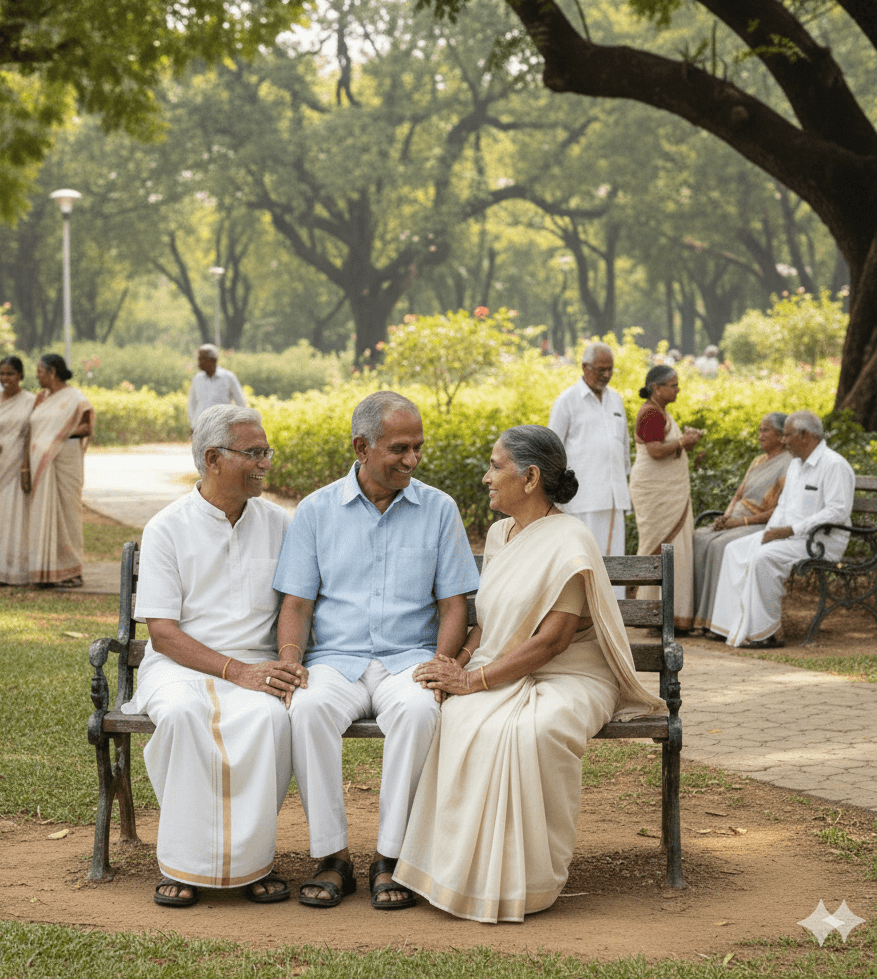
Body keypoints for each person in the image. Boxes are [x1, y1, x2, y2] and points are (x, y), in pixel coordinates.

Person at [394, 426, 665, 922]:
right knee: (458, 720)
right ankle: (459, 874)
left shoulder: (570, 540)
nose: (485, 477)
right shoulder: (501, 534)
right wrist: (461, 659)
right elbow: (490, 622)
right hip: (503, 669)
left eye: (496, 466)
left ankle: (529, 880)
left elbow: (552, 641)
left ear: (531, 477)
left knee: (530, 731)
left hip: (573, 676)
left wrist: (475, 681)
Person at [273, 391, 480, 910]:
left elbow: (456, 605)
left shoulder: (438, 508)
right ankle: (333, 857)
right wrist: (292, 661)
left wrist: (440, 662)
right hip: (335, 662)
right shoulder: (317, 510)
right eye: (399, 449)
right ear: (362, 447)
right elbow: (296, 603)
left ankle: (391, 859)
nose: (412, 460)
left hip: (408, 659)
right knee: (310, 707)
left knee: (416, 710)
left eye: (418, 448)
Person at [121, 405, 301, 907]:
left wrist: (277, 661)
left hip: (256, 665)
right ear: (213, 458)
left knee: (270, 720)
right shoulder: (167, 527)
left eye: (266, 451)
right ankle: (184, 864)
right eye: (253, 453)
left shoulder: (278, 524)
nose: (265, 462)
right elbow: (162, 634)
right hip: (179, 666)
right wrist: (236, 671)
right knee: (180, 717)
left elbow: (296, 605)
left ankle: (251, 864)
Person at [709, 411, 854, 648]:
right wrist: (772, 531)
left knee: (764, 557)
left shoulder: (834, 464)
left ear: (804, 435)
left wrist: (789, 530)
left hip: (820, 542)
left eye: (787, 435)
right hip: (791, 537)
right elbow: (784, 505)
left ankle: (766, 633)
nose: (783, 441)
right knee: (734, 549)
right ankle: (727, 626)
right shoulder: (796, 465)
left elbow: (837, 512)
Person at [692, 413, 792, 631]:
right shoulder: (758, 461)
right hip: (735, 520)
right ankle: (692, 615)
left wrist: (740, 522)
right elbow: (738, 495)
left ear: (781, 435)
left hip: (758, 523)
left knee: (720, 546)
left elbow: (779, 510)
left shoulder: (789, 464)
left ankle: (714, 620)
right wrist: (726, 517)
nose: (760, 435)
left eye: (766, 430)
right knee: (696, 538)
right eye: (759, 430)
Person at [548, 341, 631, 595]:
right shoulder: (567, 401)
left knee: (613, 566)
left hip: (614, 499)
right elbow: (553, 450)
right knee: (581, 565)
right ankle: (582, 629)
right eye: (601, 369)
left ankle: (612, 624)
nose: (606, 375)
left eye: (610, 369)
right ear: (585, 367)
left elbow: (625, 448)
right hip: (581, 501)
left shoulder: (615, 399)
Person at [628, 366, 702, 630]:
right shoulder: (651, 414)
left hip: (666, 489)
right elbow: (656, 451)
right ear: (656, 388)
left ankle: (669, 615)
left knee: (675, 545)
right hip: (655, 490)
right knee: (658, 545)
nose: (677, 389)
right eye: (672, 384)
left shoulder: (660, 413)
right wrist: (683, 442)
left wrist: (686, 444)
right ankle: (652, 613)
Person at [21, 354, 93, 588]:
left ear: (52, 372)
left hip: (64, 462)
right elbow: (31, 430)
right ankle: (44, 570)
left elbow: (86, 426)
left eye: (40, 371)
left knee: (67, 515)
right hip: (40, 463)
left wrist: (59, 435)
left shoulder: (75, 397)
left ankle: (71, 572)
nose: (37, 375)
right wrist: (25, 465)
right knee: (41, 512)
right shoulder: (41, 398)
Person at [0, 357, 35, 586]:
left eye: (10, 374)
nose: (5, 378)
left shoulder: (30, 400)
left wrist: (27, 464)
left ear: (20, 375)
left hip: (19, 463)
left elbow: (33, 431)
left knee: (19, 515)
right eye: (1, 374)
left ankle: (19, 571)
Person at [186, 344, 246, 431]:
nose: (199, 362)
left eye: (202, 358)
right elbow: (192, 404)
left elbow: (241, 403)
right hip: (201, 428)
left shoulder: (228, 377)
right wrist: (193, 424)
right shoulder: (197, 379)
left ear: (213, 360)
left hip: (223, 429)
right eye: (199, 358)